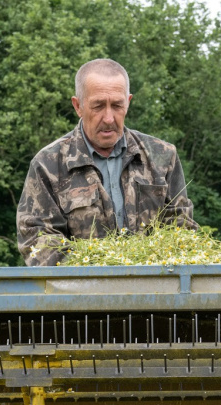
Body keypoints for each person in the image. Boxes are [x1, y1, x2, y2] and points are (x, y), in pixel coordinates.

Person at [16, 58, 197, 266]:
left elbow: (181, 228)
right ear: (78, 106)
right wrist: (101, 270)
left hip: (153, 283)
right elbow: (37, 239)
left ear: (128, 102)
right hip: (81, 285)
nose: (109, 118)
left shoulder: (162, 156)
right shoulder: (48, 164)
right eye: (98, 106)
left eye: (117, 105)